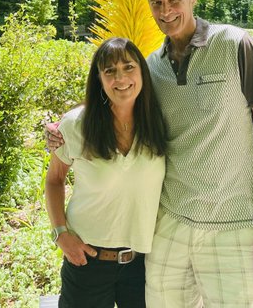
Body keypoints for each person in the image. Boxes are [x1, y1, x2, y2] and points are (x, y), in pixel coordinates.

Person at [47, 0, 253, 308]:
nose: (166, 10)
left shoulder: (234, 44)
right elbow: (118, 96)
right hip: (167, 226)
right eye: (157, 3)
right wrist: (66, 126)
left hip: (231, 224)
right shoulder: (152, 67)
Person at [44, 36, 167, 308]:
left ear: (143, 72)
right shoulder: (76, 125)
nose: (120, 78)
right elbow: (54, 180)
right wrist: (61, 234)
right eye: (109, 71)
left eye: (128, 67)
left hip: (144, 265)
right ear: (99, 79)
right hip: (87, 261)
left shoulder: (159, 121)